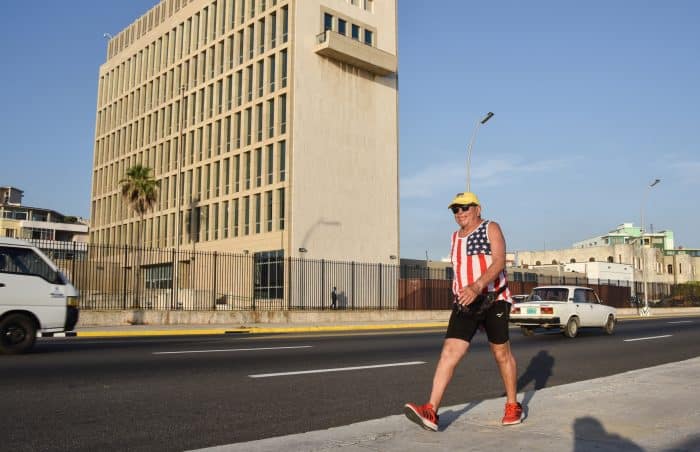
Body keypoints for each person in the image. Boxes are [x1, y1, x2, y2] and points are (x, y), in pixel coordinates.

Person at [404, 192, 522, 431]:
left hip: (492, 298)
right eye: (455, 210)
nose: (460, 213)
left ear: (477, 208)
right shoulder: (455, 238)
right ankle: (431, 410)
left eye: (464, 207)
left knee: (501, 353)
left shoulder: (491, 227)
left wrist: (478, 286)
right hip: (465, 302)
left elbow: (499, 261)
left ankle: (512, 404)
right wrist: (461, 292)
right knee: (449, 352)